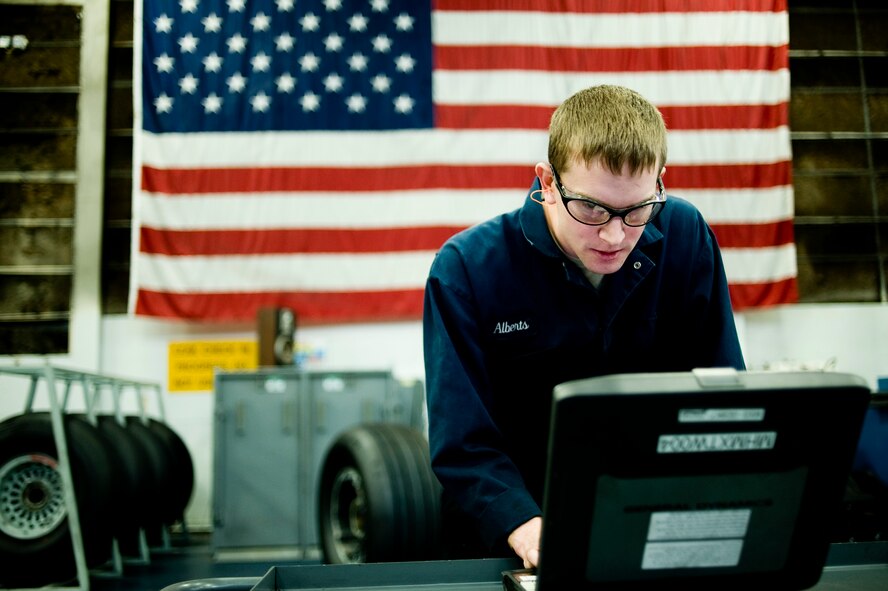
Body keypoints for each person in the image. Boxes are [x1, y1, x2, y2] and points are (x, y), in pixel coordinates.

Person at [422, 85, 746, 568]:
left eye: (636, 211)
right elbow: (463, 442)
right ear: (548, 182)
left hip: (652, 524)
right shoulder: (467, 269)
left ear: (660, 183)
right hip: (511, 540)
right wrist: (524, 526)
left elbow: (720, 393)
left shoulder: (685, 236)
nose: (615, 236)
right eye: (592, 209)